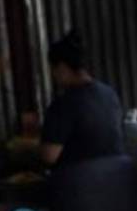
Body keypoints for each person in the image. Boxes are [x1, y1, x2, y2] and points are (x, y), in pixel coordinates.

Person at [39, 30, 125, 168]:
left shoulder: (63, 105)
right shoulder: (109, 93)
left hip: (81, 184)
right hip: (118, 179)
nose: (53, 76)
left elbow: (49, 156)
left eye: (53, 70)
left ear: (62, 67)